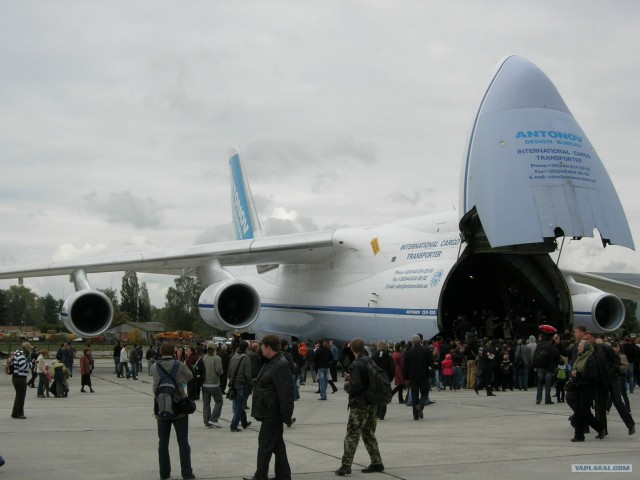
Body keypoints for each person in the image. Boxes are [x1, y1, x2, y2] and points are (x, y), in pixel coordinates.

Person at [243, 334, 295, 480]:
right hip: (269, 410)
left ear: (268, 347)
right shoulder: (271, 362)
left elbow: (286, 394)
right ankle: (284, 475)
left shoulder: (280, 365)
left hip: (273, 413)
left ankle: (260, 476)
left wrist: (286, 416)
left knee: (264, 443)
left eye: (262, 346)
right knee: (277, 445)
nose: (260, 349)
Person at [335, 338, 384, 476]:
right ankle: (377, 462)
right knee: (368, 433)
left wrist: (347, 385)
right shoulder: (370, 360)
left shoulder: (356, 364)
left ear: (352, 350)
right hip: (371, 403)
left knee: (352, 434)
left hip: (360, 404)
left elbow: (356, 387)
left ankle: (346, 465)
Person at [152, 342, 195, 480]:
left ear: (160, 351)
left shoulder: (155, 366)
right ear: (174, 352)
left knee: (163, 443)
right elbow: (190, 377)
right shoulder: (179, 365)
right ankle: (187, 473)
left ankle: (164, 473)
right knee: (183, 442)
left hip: (162, 409)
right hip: (179, 410)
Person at [570, 340, 605, 442]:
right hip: (578, 386)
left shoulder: (591, 358)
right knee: (577, 412)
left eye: (580, 345)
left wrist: (578, 374)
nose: (578, 347)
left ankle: (600, 428)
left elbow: (591, 374)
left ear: (585, 347)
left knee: (584, 411)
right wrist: (574, 374)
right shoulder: (580, 358)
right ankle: (579, 436)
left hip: (588, 388)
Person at [404, 334, 433, 419]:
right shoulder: (426, 350)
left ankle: (415, 416)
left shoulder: (408, 352)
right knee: (424, 393)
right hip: (424, 376)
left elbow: (405, 367)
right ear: (420, 341)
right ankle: (420, 404)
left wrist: (406, 378)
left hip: (413, 377)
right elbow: (431, 364)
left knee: (414, 395)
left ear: (412, 342)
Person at [227, 340, 254, 432]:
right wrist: (252, 383)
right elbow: (248, 373)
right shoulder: (246, 358)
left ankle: (244, 422)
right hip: (242, 383)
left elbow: (229, 372)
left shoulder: (233, 358)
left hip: (233, 384)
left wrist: (231, 381)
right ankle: (233, 425)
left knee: (239, 404)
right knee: (239, 406)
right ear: (246, 348)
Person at [201, 341, 224, 428]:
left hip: (205, 384)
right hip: (214, 383)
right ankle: (213, 419)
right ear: (215, 349)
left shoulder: (204, 357)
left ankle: (207, 422)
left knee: (206, 404)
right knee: (219, 401)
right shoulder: (217, 358)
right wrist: (222, 372)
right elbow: (219, 370)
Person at [11, 342, 33, 419]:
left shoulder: (18, 353)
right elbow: (23, 366)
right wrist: (31, 364)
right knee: (21, 396)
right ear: (26, 348)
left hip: (18, 377)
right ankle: (20, 413)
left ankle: (14, 413)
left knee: (18, 395)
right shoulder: (20, 354)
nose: (30, 350)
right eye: (29, 348)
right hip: (20, 377)